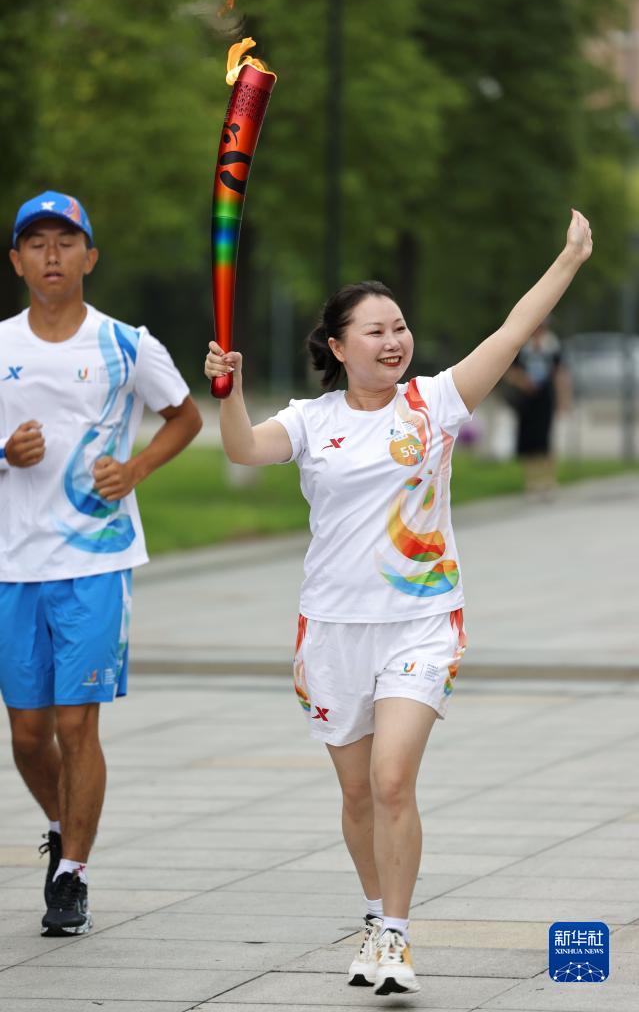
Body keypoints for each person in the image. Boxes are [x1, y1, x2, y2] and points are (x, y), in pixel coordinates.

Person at [204, 209, 592, 994]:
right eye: (373, 331)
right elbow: (243, 448)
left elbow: (513, 332)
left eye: (399, 327)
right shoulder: (311, 423)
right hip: (330, 633)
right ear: (338, 346)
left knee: (389, 781)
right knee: (354, 795)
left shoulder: (435, 404)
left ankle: (395, 936)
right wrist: (231, 387)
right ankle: (373, 911)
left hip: (419, 621)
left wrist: (570, 259)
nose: (392, 341)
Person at [0, 190, 202, 937]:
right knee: (27, 735)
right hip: (11, 563)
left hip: (94, 561)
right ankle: (62, 828)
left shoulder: (126, 344)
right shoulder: (0, 346)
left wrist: (138, 468)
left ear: (90, 256)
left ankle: (72, 876)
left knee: (76, 726)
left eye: (66, 242)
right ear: (17, 260)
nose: (52, 256)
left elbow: (182, 415)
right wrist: (3, 453)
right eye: (37, 244)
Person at [503, 317, 571, 497]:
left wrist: (563, 400)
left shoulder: (552, 346)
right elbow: (509, 370)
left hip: (545, 398)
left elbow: (560, 374)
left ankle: (548, 480)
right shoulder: (522, 347)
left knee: (545, 438)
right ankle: (531, 481)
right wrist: (523, 382)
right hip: (527, 399)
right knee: (528, 440)